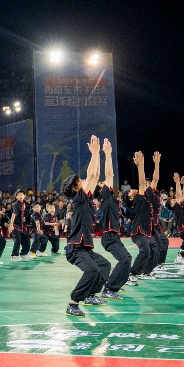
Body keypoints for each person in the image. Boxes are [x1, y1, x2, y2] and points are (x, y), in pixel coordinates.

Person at [62, 135, 111, 317]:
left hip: (86, 249)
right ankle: (73, 303)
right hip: (75, 249)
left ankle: (90, 295)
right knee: (92, 270)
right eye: (79, 182)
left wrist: (99, 153)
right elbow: (93, 175)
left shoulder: (86, 199)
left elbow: (95, 175)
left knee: (104, 266)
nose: (83, 180)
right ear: (76, 189)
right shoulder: (79, 198)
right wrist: (95, 152)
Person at [97, 138, 132, 294]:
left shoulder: (110, 199)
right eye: (101, 183)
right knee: (124, 260)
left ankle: (115, 284)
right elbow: (109, 173)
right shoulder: (105, 196)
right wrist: (108, 153)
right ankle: (109, 287)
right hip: (109, 237)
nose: (104, 183)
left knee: (127, 258)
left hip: (114, 236)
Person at [127, 152, 155, 281]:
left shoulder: (144, 199)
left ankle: (143, 271)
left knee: (150, 249)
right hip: (137, 232)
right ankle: (131, 274)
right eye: (129, 192)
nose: (132, 189)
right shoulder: (138, 199)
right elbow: (142, 182)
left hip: (144, 231)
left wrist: (156, 164)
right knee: (145, 250)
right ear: (131, 197)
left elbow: (152, 182)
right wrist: (141, 165)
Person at [8, 189, 31, 261]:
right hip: (15, 225)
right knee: (17, 240)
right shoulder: (16, 204)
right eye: (18, 195)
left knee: (27, 238)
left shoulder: (23, 204)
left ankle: (23, 254)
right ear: (16, 196)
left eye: (22, 195)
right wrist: (11, 225)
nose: (20, 196)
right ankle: (14, 256)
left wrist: (23, 218)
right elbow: (13, 215)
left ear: (24, 196)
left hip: (21, 225)